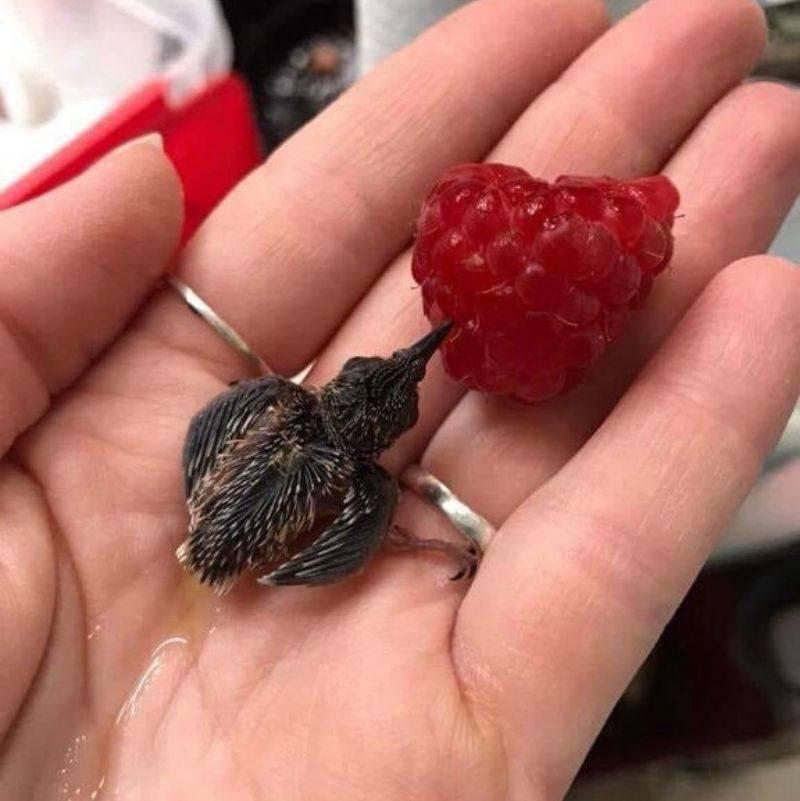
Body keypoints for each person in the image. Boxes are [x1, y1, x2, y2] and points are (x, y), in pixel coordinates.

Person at [1, 0, 799, 798]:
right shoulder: (355, 479)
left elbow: (238, 428)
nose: (413, 359)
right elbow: (311, 514)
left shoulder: (285, 413)